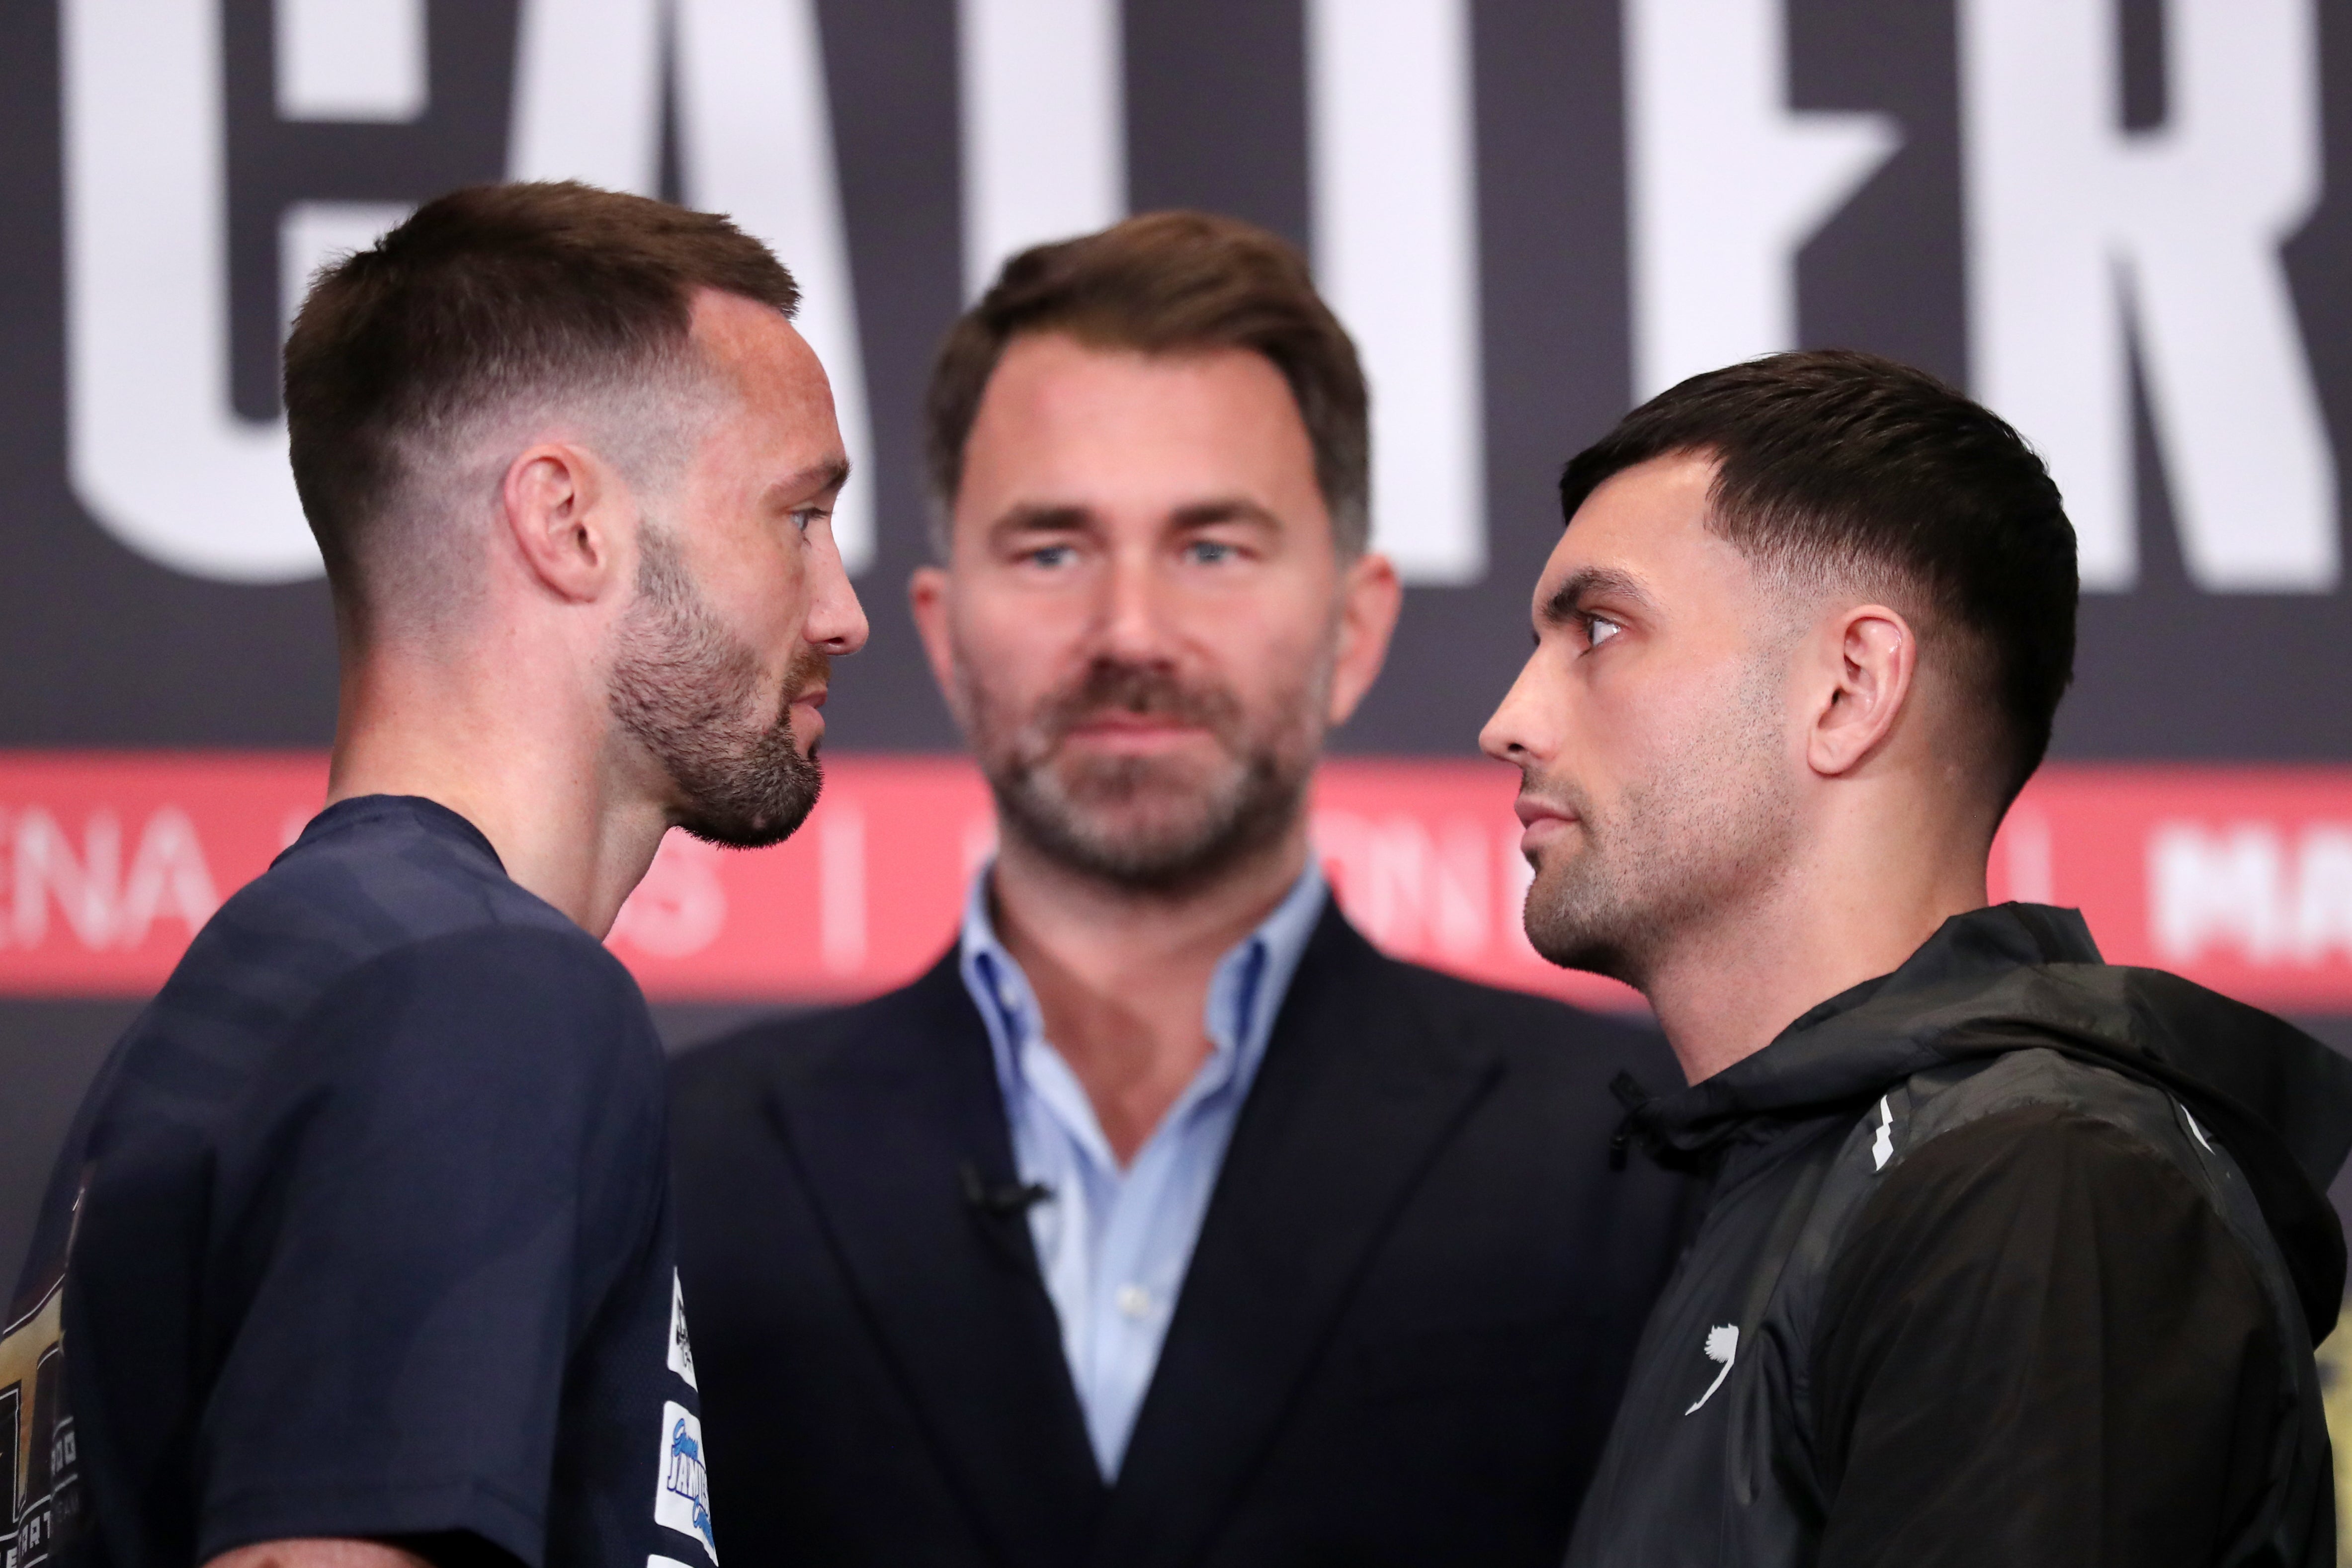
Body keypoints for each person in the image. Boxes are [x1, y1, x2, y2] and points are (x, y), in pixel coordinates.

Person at [669, 211, 1696, 1567]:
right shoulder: (675, 1162)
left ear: (1355, 623)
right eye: (1051, 550)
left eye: (1211, 548)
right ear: (940, 628)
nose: (1130, 632)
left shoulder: (1640, 1157)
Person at [4, 181, 867, 1568]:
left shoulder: (268, 997)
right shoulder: (478, 992)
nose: (843, 608)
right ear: (569, 522)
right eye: (798, 515)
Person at [1480, 348, 2352, 1567]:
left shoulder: (2034, 1188)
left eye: (1600, 628)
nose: (1508, 717)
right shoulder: (1798, 1181)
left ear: (1848, 688)